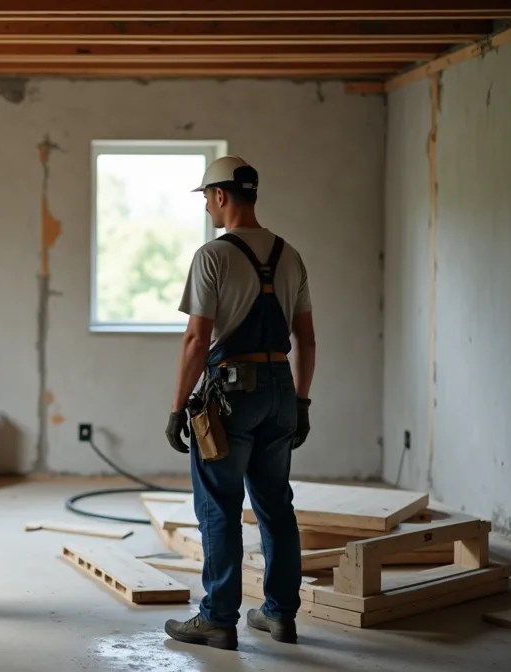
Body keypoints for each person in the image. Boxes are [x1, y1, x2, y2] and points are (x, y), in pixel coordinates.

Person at [163, 156, 316, 650]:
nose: (207, 205)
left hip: (232, 394)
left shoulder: (213, 256)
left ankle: (218, 618)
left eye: (207, 197)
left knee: (220, 507)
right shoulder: (290, 254)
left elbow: (195, 338)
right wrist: (302, 402)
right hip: (280, 388)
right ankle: (279, 614)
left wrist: (176, 405)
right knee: (276, 507)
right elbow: (307, 340)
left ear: (222, 196)